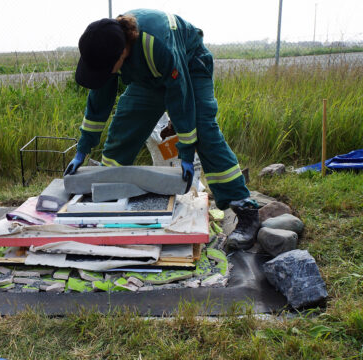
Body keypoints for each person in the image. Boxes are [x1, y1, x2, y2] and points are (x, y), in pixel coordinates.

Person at [64, 9, 259, 250]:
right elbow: (99, 101)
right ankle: (106, 195)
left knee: (204, 131)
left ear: (122, 52)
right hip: (149, 77)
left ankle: (244, 207)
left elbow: (181, 97)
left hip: (188, 66)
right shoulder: (106, 44)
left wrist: (186, 151)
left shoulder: (157, 45)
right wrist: (83, 148)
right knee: (123, 130)